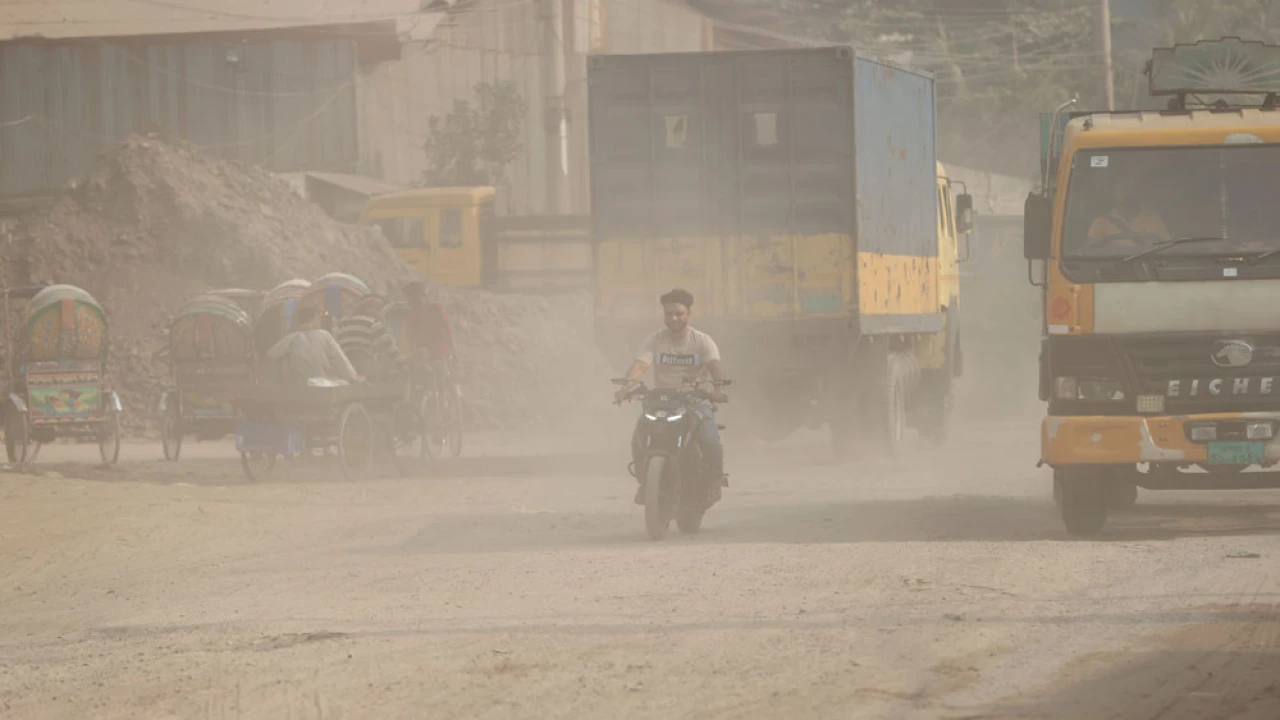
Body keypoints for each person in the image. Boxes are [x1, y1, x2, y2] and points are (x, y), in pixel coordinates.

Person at [614, 288, 728, 505]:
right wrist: (627, 386)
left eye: (678, 313)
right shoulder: (655, 340)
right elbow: (640, 364)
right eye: (669, 314)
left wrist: (718, 389)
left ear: (688, 314)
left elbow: (714, 365)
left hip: (695, 401)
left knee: (710, 440)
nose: (673, 318)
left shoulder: (702, 341)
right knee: (639, 437)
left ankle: (713, 482)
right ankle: (646, 483)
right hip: (662, 400)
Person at [266, 306, 364, 386]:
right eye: (318, 318)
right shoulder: (324, 335)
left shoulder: (291, 337)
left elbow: (271, 354)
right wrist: (353, 378)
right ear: (312, 319)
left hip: (298, 384)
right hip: (320, 383)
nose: (319, 321)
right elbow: (341, 360)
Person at [1086, 170, 1172, 250]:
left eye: (1130, 187)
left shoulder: (1153, 219)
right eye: (1121, 188)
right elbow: (1090, 254)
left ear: (1138, 191)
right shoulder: (1101, 223)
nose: (1126, 192)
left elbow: (1167, 249)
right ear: (1113, 193)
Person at [403, 280, 456, 390]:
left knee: (443, 378)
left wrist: (453, 350)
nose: (411, 300)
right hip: (423, 355)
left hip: (440, 352)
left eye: (413, 296)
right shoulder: (410, 315)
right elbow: (411, 339)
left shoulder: (436, 309)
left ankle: (447, 398)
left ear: (422, 295)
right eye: (409, 297)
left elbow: (447, 330)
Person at [333, 295, 398, 380]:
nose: (381, 313)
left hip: (344, 368)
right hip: (364, 368)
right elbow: (389, 348)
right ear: (374, 310)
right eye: (380, 310)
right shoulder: (373, 322)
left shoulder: (343, 322)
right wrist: (401, 363)